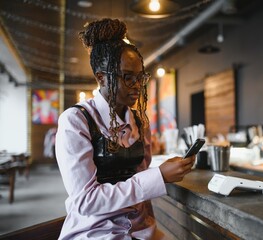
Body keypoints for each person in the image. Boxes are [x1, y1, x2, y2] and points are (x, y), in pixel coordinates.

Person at [55, 18, 196, 240]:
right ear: (101, 78)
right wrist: (158, 176)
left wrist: (162, 173)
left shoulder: (139, 122)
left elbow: (139, 179)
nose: (138, 85)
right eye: (128, 77)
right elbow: (86, 201)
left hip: (141, 231)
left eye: (140, 77)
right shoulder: (75, 121)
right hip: (95, 233)